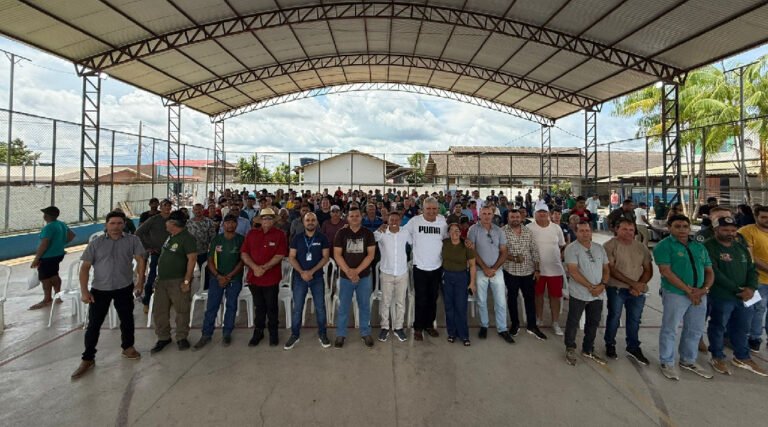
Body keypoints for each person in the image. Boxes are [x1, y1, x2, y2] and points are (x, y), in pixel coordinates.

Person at [71, 211, 146, 379]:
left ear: (124, 224)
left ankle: (128, 347)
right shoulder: (96, 243)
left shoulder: (132, 240)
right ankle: (88, 358)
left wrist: (141, 281)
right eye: (112, 223)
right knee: (94, 325)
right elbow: (85, 268)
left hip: (124, 287)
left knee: (127, 319)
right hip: (100, 289)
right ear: (106, 225)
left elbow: (141, 260)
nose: (116, 227)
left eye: (119, 223)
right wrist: (84, 291)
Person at [654, 214, 714, 380]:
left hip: (700, 294)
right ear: (669, 228)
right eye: (677, 226)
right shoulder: (664, 246)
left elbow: (709, 271)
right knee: (670, 328)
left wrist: (704, 289)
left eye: (685, 226)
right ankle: (667, 361)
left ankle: (688, 359)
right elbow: (666, 272)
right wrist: (689, 291)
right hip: (676, 293)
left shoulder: (699, 247)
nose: (682, 230)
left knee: (695, 329)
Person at [704, 217, 767, 376]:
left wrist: (751, 288)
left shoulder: (740, 247)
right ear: (716, 229)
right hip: (722, 296)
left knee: (742, 327)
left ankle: (742, 357)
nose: (730, 233)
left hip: (745, 296)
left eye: (733, 230)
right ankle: (717, 356)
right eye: (725, 230)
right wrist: (738, 288)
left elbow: (752, 269)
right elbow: (714, 272)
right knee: (718, 326)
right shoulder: (708, 247)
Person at [602, 219, 653, 365]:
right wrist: (633, 284)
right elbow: (611, 270)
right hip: (616, 288)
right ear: (616, 230)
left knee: (635, 319)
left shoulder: (641, 247)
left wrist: (640, 285)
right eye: (624, 229)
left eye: (631, 230)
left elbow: (648, 269)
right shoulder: (609, 246)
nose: (628, 233)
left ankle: (633, 347)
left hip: (637, 291)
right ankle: (610, 343)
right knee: (614, 317)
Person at [192, 214, 245, 350]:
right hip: (216, 278)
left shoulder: (241, 240)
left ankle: (227, 333)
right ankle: (206, 334)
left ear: (236, 225)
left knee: (231, 306)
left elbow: (242, 261)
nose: (230, 225)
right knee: (212, 306)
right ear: (223, 225)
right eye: (227, 223)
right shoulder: (217, 239)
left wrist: (229, 276)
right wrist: (218, 276)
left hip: (234, 278)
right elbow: (209, 260)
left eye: (233, 223)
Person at [149, 211, 198, 354]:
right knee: (160, 311)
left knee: (182, 310)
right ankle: (163, 337)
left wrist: (187, 280)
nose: (165, 223)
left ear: (173, 224)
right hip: (162, 280)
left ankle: (182, 337)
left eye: (168, 221)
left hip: (178, 281)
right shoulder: (171, 237)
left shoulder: (187, 238)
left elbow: (192, 259)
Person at [564, 222, 610, 366]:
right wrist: (591, 286)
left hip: (598, 293)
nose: (585, 233)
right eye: (582, 230)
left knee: (593, 321)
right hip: (579, 293)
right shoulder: (571, 249)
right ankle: (570, 347)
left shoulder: (599, 248)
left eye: (587, 230)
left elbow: (607, 269)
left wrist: (602, 285)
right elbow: (573, 271)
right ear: (576, 232)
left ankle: (588, 348)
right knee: (573, 321)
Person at [241, 208, 288, 347]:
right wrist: (255, 268)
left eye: (269, 218)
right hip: (254, 277)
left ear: (273, 221)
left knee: (272, 306)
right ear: (260, 220)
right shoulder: (251, 234)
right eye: (264, 218)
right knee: (259, 306)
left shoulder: (280, 234)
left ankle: (273, 333)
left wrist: (265, 268)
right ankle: (258, 332)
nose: (267, 221)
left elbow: (280, 255)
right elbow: (244, 253)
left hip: (271, 278)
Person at [403, 197, 448, 341]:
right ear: (423, 209)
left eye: (434, 209)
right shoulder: (415, 221)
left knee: (433, 298)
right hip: (420, 266)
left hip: (436, 266)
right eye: (428, 209)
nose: (431, 211)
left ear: (438, 209)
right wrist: (412, 243)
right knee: (421, 298)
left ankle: (429, 325)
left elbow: (446, 238)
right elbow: (404, 233)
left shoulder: (442, 221)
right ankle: (418, 327)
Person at [284, 212, 331, 350]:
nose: (310, 222)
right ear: (303, 222)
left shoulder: (322, 238)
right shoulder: (297, 238)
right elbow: (291, 257)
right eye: (307, 220)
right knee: (297, 308)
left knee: (320, 308)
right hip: (300, 278)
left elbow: (325, 257)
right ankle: (295, 335)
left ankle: (322, 334)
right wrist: (302, 272)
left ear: (316, 222)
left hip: (317, 278)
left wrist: (311, 271)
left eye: (313, 220)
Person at [467, 206, 514, 343]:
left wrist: (493, 268)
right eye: (484, 213)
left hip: (496, 271)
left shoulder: (498, 230)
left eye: (489, 214)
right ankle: (484, 325)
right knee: (481, 300)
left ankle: (502, 328)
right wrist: (485, 268)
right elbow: (472, 252)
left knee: (500, 301)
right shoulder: (473, 230)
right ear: (479, 214)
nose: (487, 216)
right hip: (481, 271)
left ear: (493, 215)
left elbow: (504, 251)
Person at [333, 206, 376, 348]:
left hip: (364, 277)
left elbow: (370, 255)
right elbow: (337, 254)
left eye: (357, 216)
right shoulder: (341, 233)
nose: (354, 218)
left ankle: (365, 332)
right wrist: (349, 272)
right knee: (344, 306)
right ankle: (341, 334)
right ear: (347, 218)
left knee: (364, 306)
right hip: (346, 278)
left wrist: (356, 271)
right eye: (351, 216)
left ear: (361, 217)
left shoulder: (368, 233)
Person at [502, 209, 546, 340]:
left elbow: (534, 251)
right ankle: (515, 324)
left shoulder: (528, 231)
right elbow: (500, 251)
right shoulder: (502, 232)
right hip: (511, 271)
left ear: (521, 218)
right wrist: (513, 258)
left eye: (517, 216)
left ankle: (532, 326)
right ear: (508, 218)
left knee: (529, 299)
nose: (515, 219)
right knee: (512, 298)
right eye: (512, 217)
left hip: (528, 271)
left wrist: (537, 270)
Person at [527, 201, 566, 336]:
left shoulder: (556, 228)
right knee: (538, 295)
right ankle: (539, 318)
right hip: (536, 269)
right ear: (535, 214)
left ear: (548, 214)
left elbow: (561, 245)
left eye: (544, 212)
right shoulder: (529, 228)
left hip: (555, 269)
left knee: (555, 296)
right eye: (539, 212)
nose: (542, 214)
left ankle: (555, 322)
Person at [29, 206, 76, 310]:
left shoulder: (48, 227)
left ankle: (47, 299)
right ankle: (57, 295)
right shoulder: (61, 224)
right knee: (54, 274)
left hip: (47, 256)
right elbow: (72, 235)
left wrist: (37, 258)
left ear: (46, 216)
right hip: (58, 254)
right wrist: (60, 244)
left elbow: (44, 243)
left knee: (45, 278)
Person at [374, 211, 411, 342]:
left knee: (401, 302)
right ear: (387, 221)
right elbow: (371, 239)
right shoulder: (381, 233)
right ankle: (384, 327)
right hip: (386, 273)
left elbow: (414, 243)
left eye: (396, 219)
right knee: (386, 301)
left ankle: (398, 327)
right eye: (391, 220)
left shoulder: (405, 233)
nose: (394, 222)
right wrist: (379, 229)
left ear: (401, 221)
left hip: (402, 273)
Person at [738, 205, 768, 353]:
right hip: (757, 280)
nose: (767, 220)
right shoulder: (746, 231)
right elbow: (750, 257)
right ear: (756, 217)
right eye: (764, 217)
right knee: (758, 309)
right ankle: (754, 338)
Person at [135, 199, 172, 313]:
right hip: (157, 252)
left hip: (172, 253)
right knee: (152, 277)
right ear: (160, 207)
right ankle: (146, 301)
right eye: (165, 205)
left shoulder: (174, 219)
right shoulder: (153, 219)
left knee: (171, 277)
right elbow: (139, 232)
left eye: (169, 206)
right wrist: (148, 246)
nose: (167, 208)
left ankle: (170, 299)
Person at [442, 223, 476, 346]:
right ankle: (452, 333)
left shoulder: (466, 245)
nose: (455, 232)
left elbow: (472, 265)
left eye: (457, 230)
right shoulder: (444, 243)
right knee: (449, 307)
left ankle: (464, 335)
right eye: (452, 230)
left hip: (461, 277)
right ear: (448, 232)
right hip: (447, 277)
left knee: (461, 307)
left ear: (460, 232)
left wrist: (472, 283)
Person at [187, 203, 216, 290]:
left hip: (203, 251)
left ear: (203, 210)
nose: (198, 211)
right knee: (188, 272)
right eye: (196, 209)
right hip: (189, 252)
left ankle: (205, 289)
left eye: (200, 209)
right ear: (193, 211)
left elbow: (213, 238)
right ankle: (187, 287)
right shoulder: (188, 223)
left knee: (205, 272)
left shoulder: (209, 222)